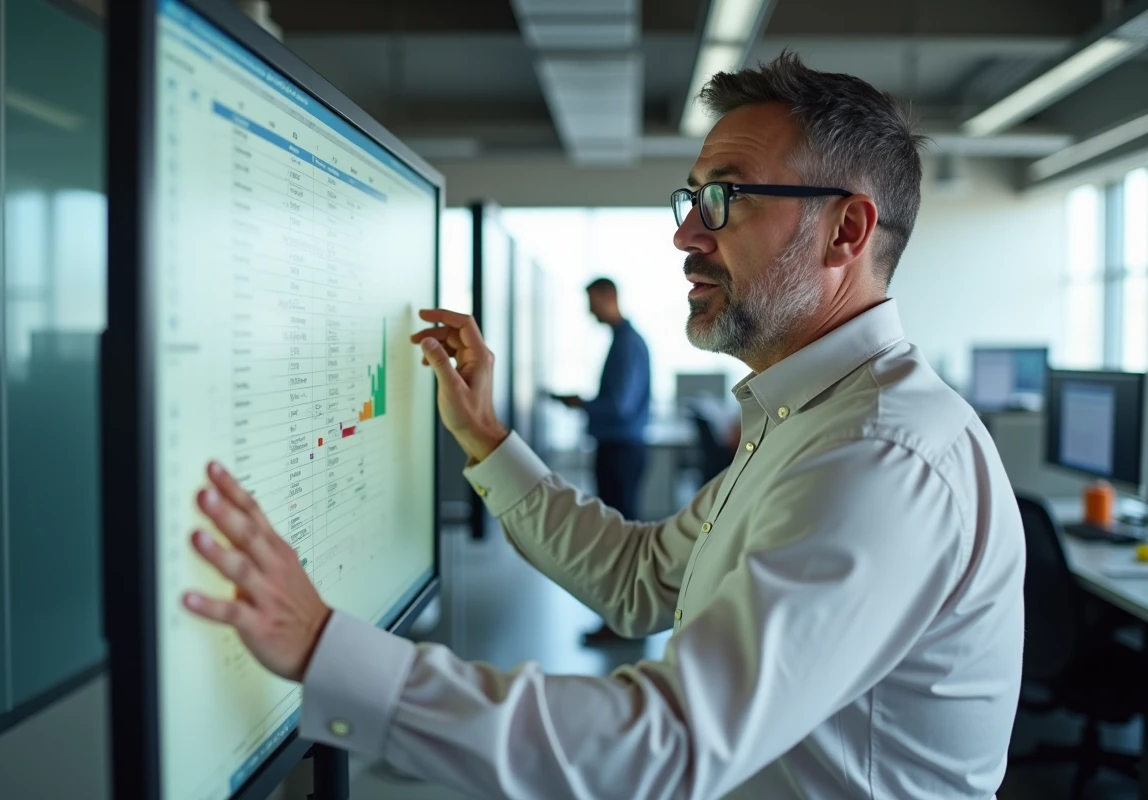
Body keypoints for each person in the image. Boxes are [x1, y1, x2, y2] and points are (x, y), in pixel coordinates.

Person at [182, 53, 1025, 799]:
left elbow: (668, 749)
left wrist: (328, 650)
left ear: (847, 229)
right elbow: (645, 578)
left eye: (723, 198)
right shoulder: (811, 417)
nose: (685, 233)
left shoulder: (879, 456)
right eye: (691, 197)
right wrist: (486, 439)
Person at [551, 277, 652, 645]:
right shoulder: (624, 340)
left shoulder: (627, 343)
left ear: (609, 297)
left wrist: (581, 404)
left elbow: (620, 406)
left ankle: (624, 623)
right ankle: (623, 620)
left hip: (621, 451)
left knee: (619, 540)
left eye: (592, 301)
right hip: (621, 449)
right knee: (620, 536)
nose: (589, 310)